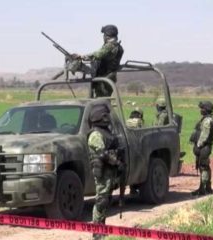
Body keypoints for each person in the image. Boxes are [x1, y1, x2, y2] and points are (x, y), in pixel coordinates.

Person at [87, 104, 121, 240]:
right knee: (101, 201)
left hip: (110, 172)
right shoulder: (95, 134)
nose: (108, 118)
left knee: (107, 200)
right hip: (102, 172)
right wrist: (116, 162)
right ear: (100, 117)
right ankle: (97, 232)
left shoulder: (106, 132)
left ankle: (102, 229)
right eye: (106, 115)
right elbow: (103, 154)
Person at [77, 24, 124, 97]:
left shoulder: (110, 45)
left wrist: (83, 57)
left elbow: (98, 54)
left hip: (105, 78)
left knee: (101, 101)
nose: (103, 37)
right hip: (108, 77)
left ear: (107, 35)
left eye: (104, 34)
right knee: (103, 100)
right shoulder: (117, 46)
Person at [189, 101, 213, 196]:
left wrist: (198, 145)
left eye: (202, 109)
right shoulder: (207, 119)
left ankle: (203, 189)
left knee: (203, 167)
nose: (200, 110)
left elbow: (204, 136)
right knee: (205, 166)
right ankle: (206, 188)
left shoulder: (207, 121)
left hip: (204, 147)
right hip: (205, 147)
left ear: (206, 110)